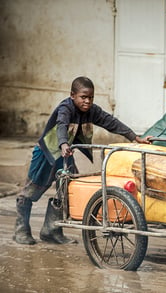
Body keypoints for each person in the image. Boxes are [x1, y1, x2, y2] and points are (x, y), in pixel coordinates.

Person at [13, 76, 151, 245]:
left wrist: (135, 137)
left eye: (90, 97)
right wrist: (63, 143)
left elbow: (111, 122)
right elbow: (62, 124)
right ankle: (21, 231)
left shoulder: (92, 111)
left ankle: (51, 230)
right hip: (47, 154)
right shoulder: (66, 108)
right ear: (73, 95)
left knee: (66, 190)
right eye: (83, 97)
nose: (87, 101)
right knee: (32, 190)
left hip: (65, 154)